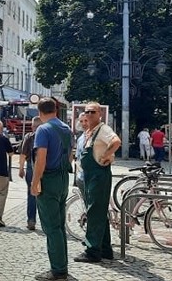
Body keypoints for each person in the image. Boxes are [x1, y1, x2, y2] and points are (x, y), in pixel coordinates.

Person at [31, 98, 73, 281]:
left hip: (49, 179)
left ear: (39, 112)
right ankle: (62, 264)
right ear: (56, 109)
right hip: (63, 178)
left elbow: (41, 159)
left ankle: (58, 270)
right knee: (60, 225)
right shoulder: (66, 128)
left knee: (51, 227)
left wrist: (35, 182)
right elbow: (70, 155)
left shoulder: (43, 129)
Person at [74, 102, 120, 263]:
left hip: (98, 176)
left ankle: (92, 251)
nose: (89, 114)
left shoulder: (103, 129)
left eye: (92, 112)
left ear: (99, 113)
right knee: (99, 212)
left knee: (94, 212)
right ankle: (105, 249)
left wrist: (106, 156)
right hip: (90, 176)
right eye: (86, 112)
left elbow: (116, 142)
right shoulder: (90, 131)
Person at [18, 116, 43, 230]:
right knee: (44, 196)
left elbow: (23, 154)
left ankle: (31, 220)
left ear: (33, 126)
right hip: (45, 168)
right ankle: (45, 221)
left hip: (31, 167)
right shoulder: (46, 135)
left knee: (31, 194)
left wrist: (21, 168)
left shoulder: (29, 137)